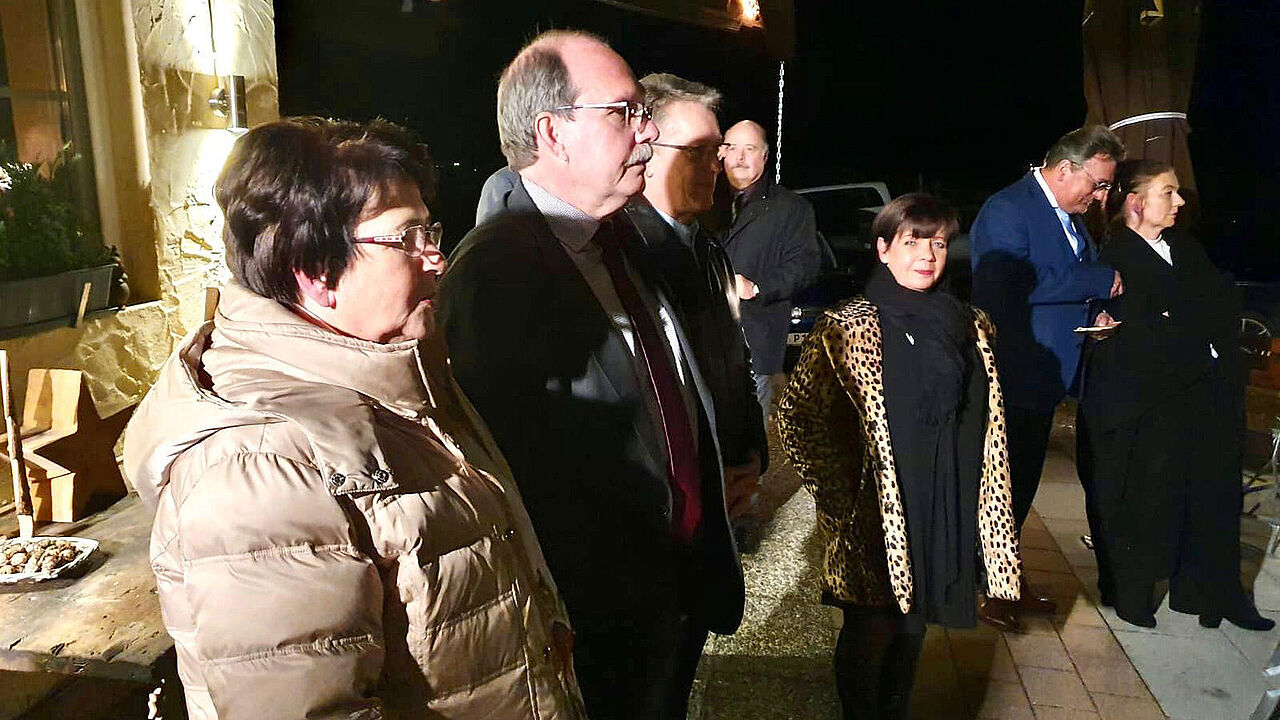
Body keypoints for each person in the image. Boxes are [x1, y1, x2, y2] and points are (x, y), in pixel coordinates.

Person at [121, 117, 585, 719]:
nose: (438, 259)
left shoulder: (404, 377)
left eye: (431, 230)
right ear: (313, 272)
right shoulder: (257, 465)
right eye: (406, 238)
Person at [436, 31, 744, 720]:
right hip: (597, 623)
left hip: (677, 588)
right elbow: (506, 479)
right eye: (625, 112)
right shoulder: (494, 275)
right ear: (554, 133)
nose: (648, 132)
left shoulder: (623, 236)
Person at [778, 194, 1022, 720]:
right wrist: (845, 497)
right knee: (873, 630)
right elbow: (799, 418)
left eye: (937, 243)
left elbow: (982, 422)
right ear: (884, 249)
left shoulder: (971, 324)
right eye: (912, 242)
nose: (927, 255)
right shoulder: (849, 326)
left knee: (915, 629)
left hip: (942, 500)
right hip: (876, 514)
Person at [1079, 159, 1274, 631]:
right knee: (1143, 499)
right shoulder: (1114, 258)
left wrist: (1194, 335)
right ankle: (1133, 593)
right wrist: (1192, 337)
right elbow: (1142, 331)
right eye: (1169, 193)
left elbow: (1219, 311)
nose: (1180, 202)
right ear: (1136, 203)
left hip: (1202, 400)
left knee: (1208, 496)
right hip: (1146, 405)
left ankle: (1212, 594)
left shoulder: (1186, 250)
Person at [969, 125, 1125, 619]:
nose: (1101, 197)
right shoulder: (1008, 210)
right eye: (1097, 184)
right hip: (1015, 375)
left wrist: (1092, 314)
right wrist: (1098, 280)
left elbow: (1061, 282)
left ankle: (1002, 579)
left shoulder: (1071, 215)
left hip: (1046, 379)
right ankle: (985, 589)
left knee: (1021, 486)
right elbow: (1007, 286)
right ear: (1064, 170)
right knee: (1000, 488)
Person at [622, 72, 768, 547]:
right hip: (663, 504)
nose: (715, 165)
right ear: (645, 148)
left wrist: (749, 454)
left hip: (718, 482)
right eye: (697, 152)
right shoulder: (618, 253)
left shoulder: (707, 250)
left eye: (717, 151)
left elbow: (733, 358)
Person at [719, 119, 823, 415]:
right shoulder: (702, 201)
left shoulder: (791, 208)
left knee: (748, 441)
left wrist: (758, 287)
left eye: (749, 149)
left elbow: (805, 264)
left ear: (764, 156)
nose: (739, 158)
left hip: (755, 343)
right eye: (732, 148)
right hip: (702, 341)